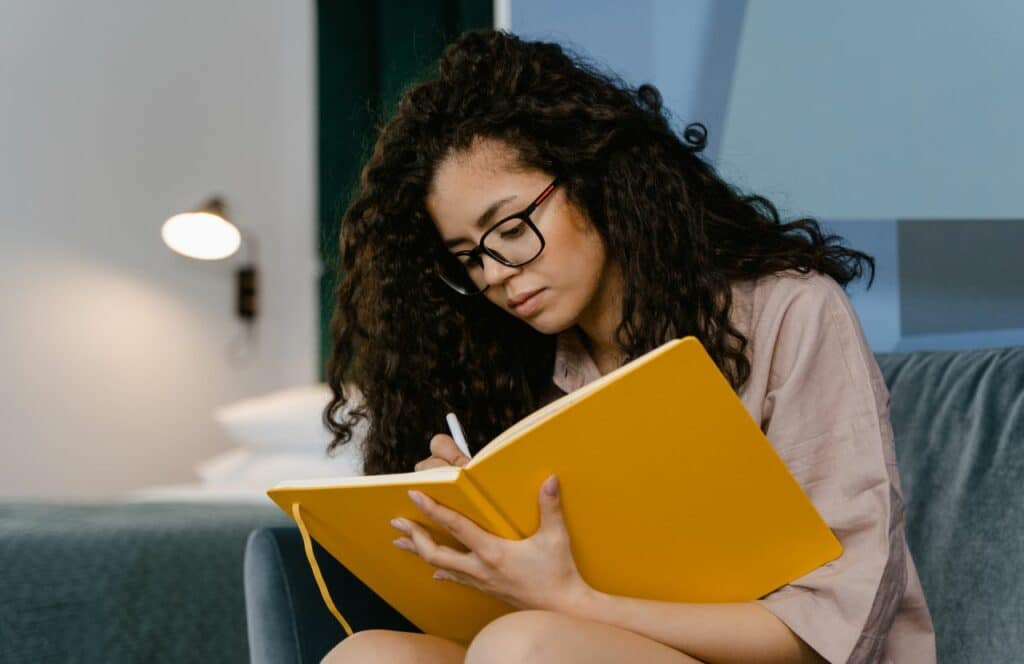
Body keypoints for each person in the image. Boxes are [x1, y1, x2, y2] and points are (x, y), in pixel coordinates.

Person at [319, 28, 936, 664]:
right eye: (467, 258)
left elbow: (833, 628)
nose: (496, 272)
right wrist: (469, 533)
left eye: (509, 227)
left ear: (593, 178)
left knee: (523, 646)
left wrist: (571, 601)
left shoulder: (791, 311)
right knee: (368, 656)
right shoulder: (514, 362)